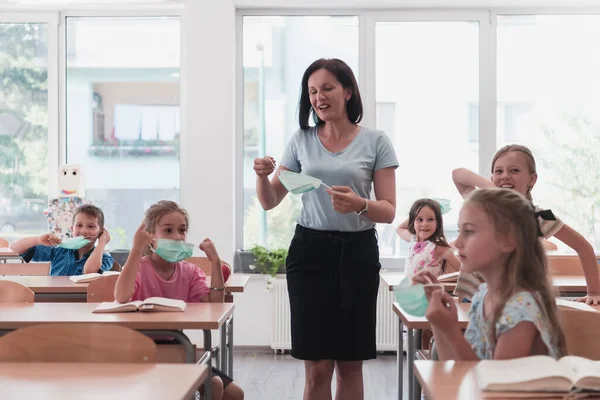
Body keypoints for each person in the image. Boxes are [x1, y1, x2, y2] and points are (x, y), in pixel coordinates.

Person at [253, 58, 398, 400]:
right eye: (313, 91)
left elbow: (389, 211)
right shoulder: (301, 139)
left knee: (350, 364)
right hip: (310, 252)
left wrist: (360, 204)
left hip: (358, 253)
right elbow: (271, 200)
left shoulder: (376, 141)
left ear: (347, 92)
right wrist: (261, 176)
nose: (319, 97)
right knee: (317, 367)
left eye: (328, 88)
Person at [415, 188, 566, 360]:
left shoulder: (520, 309)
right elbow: (455, 368)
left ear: (508, 241)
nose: (457, 243)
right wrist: (439, 324)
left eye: (469, 231)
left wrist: (451, 331)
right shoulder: (483, 295)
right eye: (459, 232)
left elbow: (490, 382)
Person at [113, 200, 243, 400]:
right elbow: (121, 296)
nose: (176, 236)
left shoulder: (190, 271)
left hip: (173, 343)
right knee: (214, 385)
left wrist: (215, 262)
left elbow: (215, 306)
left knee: (235, 394)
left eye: (182, 230)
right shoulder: (139, 266)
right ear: (150, 236)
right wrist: (136, 250)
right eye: (167, 231)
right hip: (137, 346)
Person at [451, 144, 600, 304]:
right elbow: (458, 174)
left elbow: (583, 246)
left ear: (532, 179)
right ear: (492, 177)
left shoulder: (540, 215)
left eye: (514, 170)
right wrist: (492, 188)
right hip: (472, 296)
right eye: (498, 171)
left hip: (511, 303)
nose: (505, 176)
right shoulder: (481, 206)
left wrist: (594, 292)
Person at [10, 204, 113, 275]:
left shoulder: (104, 258)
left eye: (91, 226)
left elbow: (90, 271)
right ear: (72, 229)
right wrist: (38, 240)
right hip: (54, 300)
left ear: (101, 232)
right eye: (79, 225)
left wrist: (102, 242)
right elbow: (15, 248)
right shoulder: (59, 249)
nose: (84, 231)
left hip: (84, 303)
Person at [396, 198, 460, 279]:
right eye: (420, 219)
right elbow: (399, 229)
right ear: (413, 221)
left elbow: (462, 271)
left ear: (437, 223)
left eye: (430, 219)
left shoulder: (439, 248)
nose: (424, 224)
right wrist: (416, 212)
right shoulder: (413, 239)